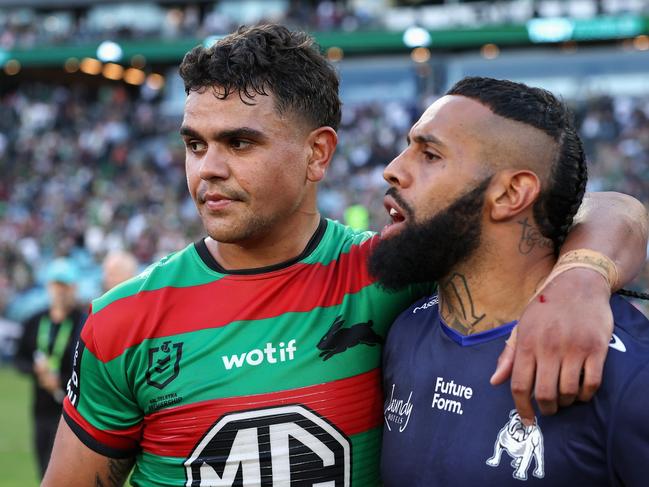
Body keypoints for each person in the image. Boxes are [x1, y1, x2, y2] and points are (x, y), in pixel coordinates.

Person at [43, 25, 647, 486]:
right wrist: (582, 276)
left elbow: (595, 206)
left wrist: (580, 278)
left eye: (239, 142)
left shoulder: (386, 278)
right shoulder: (123, 320)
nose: (208, 168)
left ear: (318, 154)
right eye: (194, 143)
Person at [377, 77, 649, 486]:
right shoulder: (406, 328)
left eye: (430, 154)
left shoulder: (626, 371)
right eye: (408, 147)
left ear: (510, 194)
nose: (393, 169)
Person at [15, 257, 85, 478]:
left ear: (74, 287)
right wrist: (35, 371)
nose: (61, 291)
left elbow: (86, 366)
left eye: (65, 285)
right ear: (48, 286)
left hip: (73, 410)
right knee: (43, 472)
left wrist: (62, 380)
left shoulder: (83, 322)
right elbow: (20, 358)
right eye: (56, 285)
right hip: (41, 410)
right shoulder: (34, 321)